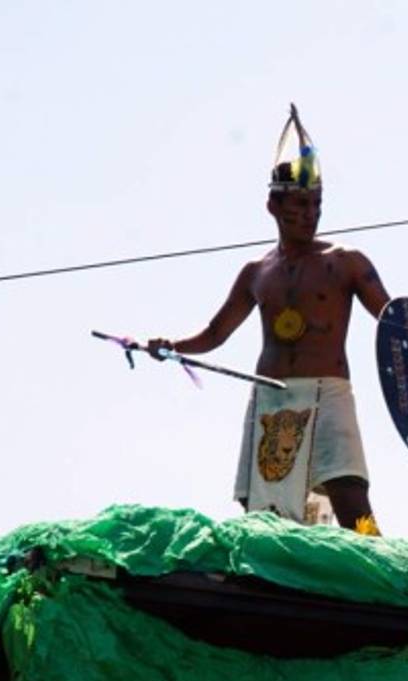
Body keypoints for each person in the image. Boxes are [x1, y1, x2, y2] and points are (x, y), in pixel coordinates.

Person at [148, 104, 388, 533]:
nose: (311, 214)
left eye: (317, 204)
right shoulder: (256, 272)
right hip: (272, 397)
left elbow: (394, 320)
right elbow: (216, 333)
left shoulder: (346, 262)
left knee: (351, 497)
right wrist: (172, 347)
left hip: (328, 391)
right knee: (263, 513)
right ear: (274, 207)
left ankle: (383, 561)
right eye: (300, 204)